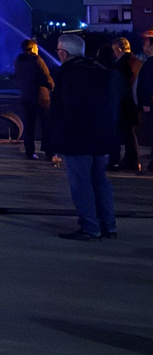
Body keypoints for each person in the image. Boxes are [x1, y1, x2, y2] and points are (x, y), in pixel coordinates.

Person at [44, 33, 117, 240]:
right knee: (100, 181)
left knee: (81, 183)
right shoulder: (100, 71)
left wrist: (54, 142)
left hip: (77, 138)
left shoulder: (67, 74)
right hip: (102, 136)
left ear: (63, 53)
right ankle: (108, 226)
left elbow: (62, 110)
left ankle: (90, 228)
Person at [13, 39, 54, 159]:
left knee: (29, 126)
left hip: (26, 97)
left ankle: (30, 152)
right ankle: (49, 153)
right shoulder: (37, 60)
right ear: (32, 48)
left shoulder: (18, 61)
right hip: (41, 98)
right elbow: (47, 78)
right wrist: (52, 86)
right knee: (46, 126)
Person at [109, 36, 143, 172]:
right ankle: (131, 160)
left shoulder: (121, 65)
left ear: (118, 48)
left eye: (114, 50)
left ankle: (131, 160)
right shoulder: (138, 62)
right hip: (134, 103)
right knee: (129, 133)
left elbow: (119, 87)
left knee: (126, 134)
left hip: (124, 104)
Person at [138, 32, 153, 149]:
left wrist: (146, 102)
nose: (143, 47)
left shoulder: (150, 64)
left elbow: (147, 84)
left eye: (146, 44)